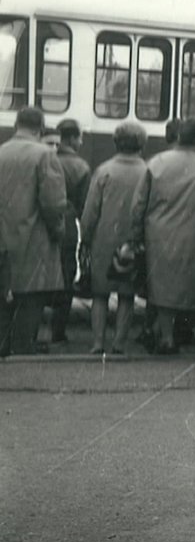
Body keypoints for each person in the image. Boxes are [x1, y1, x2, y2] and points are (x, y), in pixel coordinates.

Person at [130, 116, 195, 354]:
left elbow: (138, 205)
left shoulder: (157, 163)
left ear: (179, 137)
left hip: (160, 235)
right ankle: (192, 334)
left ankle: (167, 337)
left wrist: (135, 235)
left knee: (163, 287)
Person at [0, 107, 66, 356]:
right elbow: (53, 204)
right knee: (29, 304)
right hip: (34, 243)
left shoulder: (1, 151)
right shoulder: (44, 155)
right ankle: (22, 355)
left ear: (16, 124)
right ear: (41, 127)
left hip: (3, 243)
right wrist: (58, 232)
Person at [79, 120, 148, 354]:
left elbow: (91, 211)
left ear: (116, 142)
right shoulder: (147, 171)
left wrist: (86, 238)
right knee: (126, 295)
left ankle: (98, 342)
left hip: (103, 239)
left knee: (99, 294)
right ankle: (119, 343)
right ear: (142, 144)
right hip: (132, 241)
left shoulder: (104, 170)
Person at [50, 118, 92, 344]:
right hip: (67, 225)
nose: (81, 141)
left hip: (45, 225)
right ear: (73, 138)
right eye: (80, 137)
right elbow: (84, 205)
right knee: (66, 276)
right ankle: (58, 331)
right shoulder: (81, 167)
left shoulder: (48, 160)